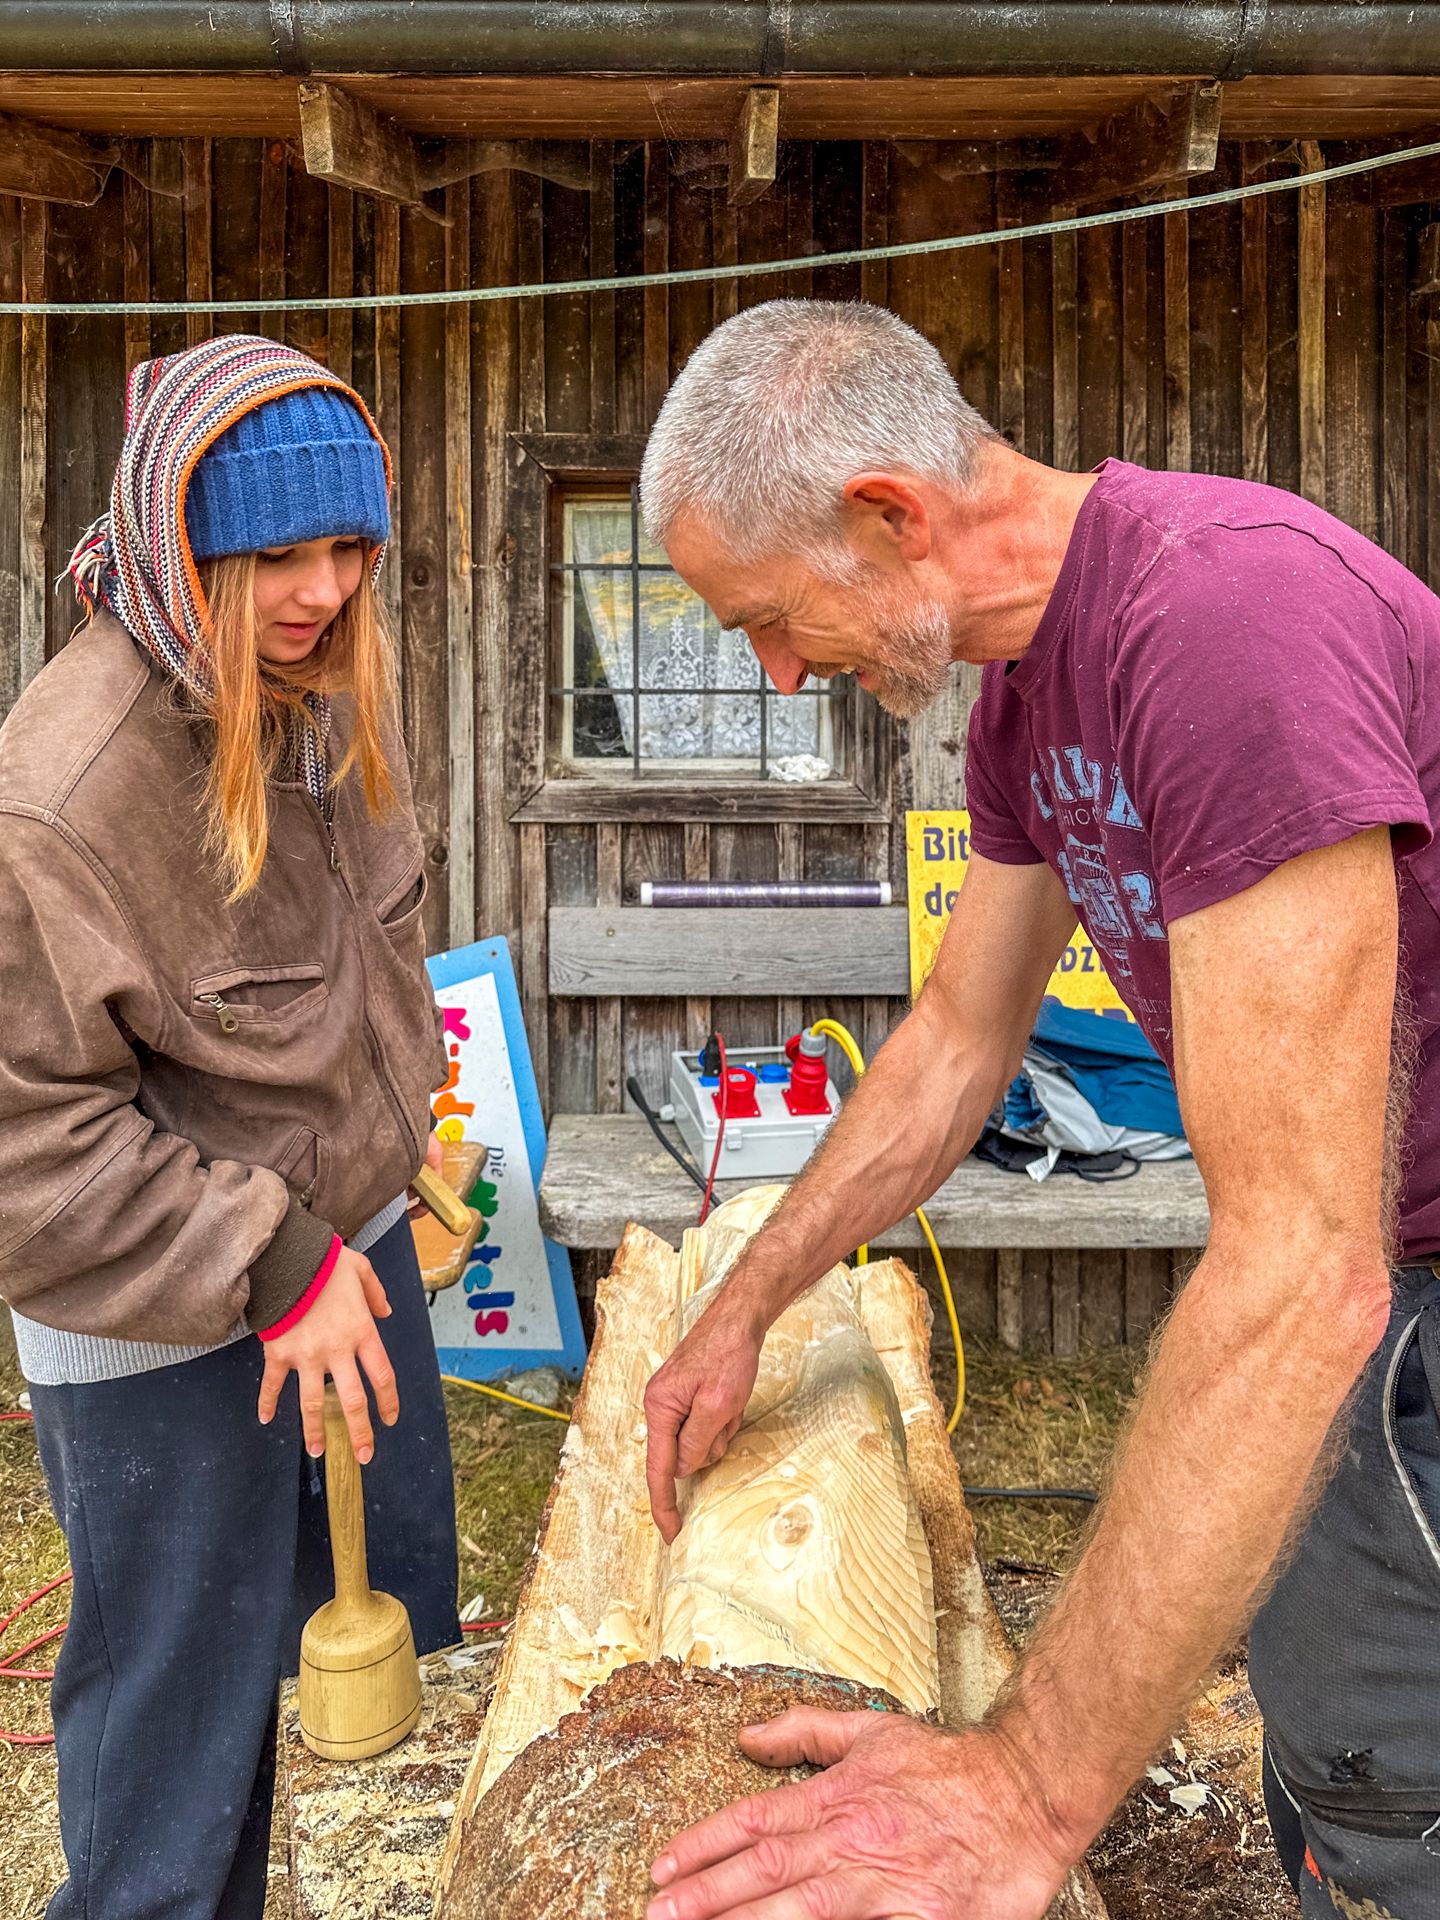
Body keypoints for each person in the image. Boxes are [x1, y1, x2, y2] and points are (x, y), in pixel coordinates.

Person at [636, 299, 1440, 1920]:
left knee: (1391, 1755)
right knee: (1326, 1708)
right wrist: (742, 1307)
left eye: (767, 622)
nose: (783, 677)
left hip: (1392, 1273)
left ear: (887, 516)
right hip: (1381, 1257)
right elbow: (953, 1040)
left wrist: (1023, 1784)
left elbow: (1304, 1273)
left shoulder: (1227, 620)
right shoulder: (1024, 697)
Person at [0, 334, 460, 1920]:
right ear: (171, 539)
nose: (322, 590)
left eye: (347, 548)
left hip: (348, 1272)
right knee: (171, 1803)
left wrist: (410, 1152)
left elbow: (356, 979)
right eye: (271, 552)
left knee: (382, 1660)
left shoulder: (318, 695)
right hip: (171, 1332)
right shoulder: (61, 795)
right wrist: (275, 1256)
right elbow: (24, 1159)